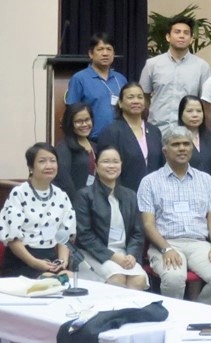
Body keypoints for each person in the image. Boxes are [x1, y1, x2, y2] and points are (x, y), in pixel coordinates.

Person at [138, 127, 211, 305]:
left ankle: (196, 314)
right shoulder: (149, 182)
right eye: (176, 144)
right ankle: (174, 318)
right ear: (165, 151)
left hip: (199, 243)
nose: (182, 148)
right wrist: (166, 249)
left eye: (186, 144)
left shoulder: (206, 180)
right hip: (166, 243)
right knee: (173, 278)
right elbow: (148, 224)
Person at [73, 146, 148, 289]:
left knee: (139, 280)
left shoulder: (130, 196)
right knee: (117, 279)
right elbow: (84, 235)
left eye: (115, 161)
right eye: (106, 161)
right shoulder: (84, 195)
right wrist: (112, 256)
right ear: (96, 166)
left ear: (121, 165)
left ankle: (127, 312)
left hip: (125, 254)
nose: (111, 165)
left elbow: (138, 232)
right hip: (93, 254)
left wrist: (132, 254)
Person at [0, 143, 76, 278]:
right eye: (42, 161)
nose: (49, 166)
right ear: (30, 167)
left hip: (50, 259)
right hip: (22, 260)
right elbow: (13, 239)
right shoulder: (19, 193)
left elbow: (65, 235)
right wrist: (35, 263)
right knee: (50, 280)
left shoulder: (61, 196)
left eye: (53, 161)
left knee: (69, 277)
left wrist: (62, 262)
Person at [140, 15, 211, 135]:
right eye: (177, 32)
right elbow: (144, 98)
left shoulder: (202, 66)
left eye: (186, 33)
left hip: (189, 132)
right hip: (156, 131)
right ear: (168, 37)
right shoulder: (152, 64)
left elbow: (206, 103)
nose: (182, 36)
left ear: (191, 39)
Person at [98, 82, 164, 192]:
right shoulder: (111, 131)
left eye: (140, 97)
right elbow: (108, 168)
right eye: (130, 97)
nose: (136, 101)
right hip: (124, 195)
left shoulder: (154, 131)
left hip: (155, 194)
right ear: (120, 103)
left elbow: (161, 165)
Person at [65, 33, 128, 140]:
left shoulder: (121, 79)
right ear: (91, 54)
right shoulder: (80, 78)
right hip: (92, 141)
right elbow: (72, 112)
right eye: (100, 49)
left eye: (109, 49)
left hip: (120, 139)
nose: (105, 53)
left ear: (114, 53)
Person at [179, 95, 211, 194]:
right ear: (181, 114)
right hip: (184, 193)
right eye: (190, 111)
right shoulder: (175, 140)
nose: (195, 115)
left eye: (199, 111)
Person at [55, 103, 97, 198]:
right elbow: (64, 182)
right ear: (70, 123)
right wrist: (77, 203)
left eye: (87, 120)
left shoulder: (95, 146)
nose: (84, 124)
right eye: (78, 121)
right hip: (75, 203)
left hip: (93, 201)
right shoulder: (63, 148)